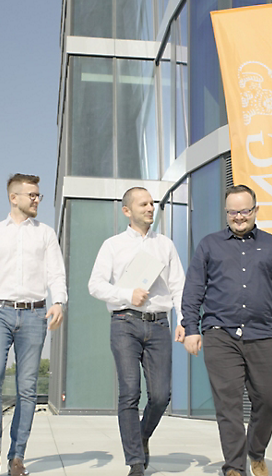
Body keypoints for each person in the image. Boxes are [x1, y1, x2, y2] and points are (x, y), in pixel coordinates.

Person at [181, 185, 272, 476]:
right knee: (229, 404)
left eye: (244, 210)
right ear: (226, 213)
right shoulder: (209, 245)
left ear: (255, 210)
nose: (239, 217)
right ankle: (234, 467)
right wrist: (191, 328)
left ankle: (256, 451)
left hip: (264, 333)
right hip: (220, 333)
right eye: (233, 212)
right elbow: (194, 289)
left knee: (269, 399)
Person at [0, 173, 67, 476]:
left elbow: (56, 273)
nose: (36, 200)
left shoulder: (45, 234)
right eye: (31, 195)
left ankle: (17, 457)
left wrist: (59, 301)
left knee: (27, 388)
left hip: (35, 315)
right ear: (13, 197)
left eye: (38, 195)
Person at [88, 187, 186, 476]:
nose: (150, 208)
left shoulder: (165, 245)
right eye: (143, 204)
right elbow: (95, 285)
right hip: (124, 323)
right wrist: (127, 294)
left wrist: (184, 320)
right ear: (127, 211)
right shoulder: (112, 245)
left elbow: (179, 285)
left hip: (158, 325)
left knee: (161, 396)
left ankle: (142, 436)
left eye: (152, 203)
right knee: (129, 392)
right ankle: (136, 462)